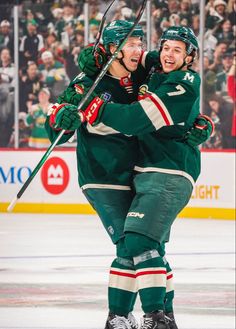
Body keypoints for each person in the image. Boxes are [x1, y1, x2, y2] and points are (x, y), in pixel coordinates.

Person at [45, 23, 213, 329]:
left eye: (141, 43)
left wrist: (199, 119)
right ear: (112, 50)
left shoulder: (142, 71)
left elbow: (144, 112)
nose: (142, 51)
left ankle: (139, 316)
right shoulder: (89, 81)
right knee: (135, 244)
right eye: (133, 44)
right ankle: (143, 316)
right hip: (102, 175)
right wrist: (59, 117)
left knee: (144, 246)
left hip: (136, 173)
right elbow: (59, 116)